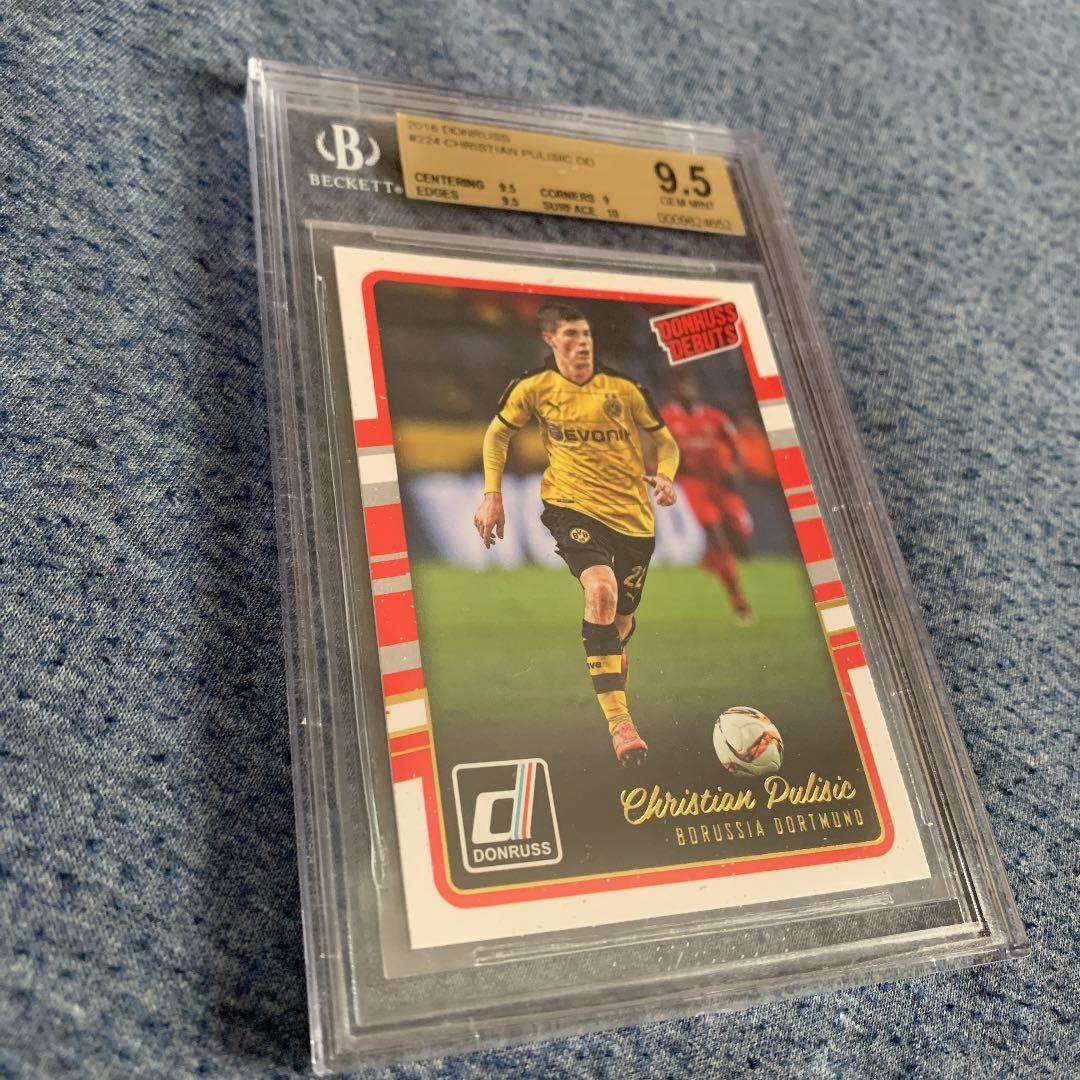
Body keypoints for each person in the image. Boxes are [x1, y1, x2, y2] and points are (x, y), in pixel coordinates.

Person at [473, 303, 680, 766]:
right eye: (571, 335)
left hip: (634, 520)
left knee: (620, 624)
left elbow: (665, 441)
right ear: (549, 339)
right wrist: (492, 495)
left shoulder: (624, 389)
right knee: (600, 590)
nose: (582, 343)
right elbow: (497, 435)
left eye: (586, 334)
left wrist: (666, 475)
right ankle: (621, 724)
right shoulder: (534, 387)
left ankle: (613, 674)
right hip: (571, 507)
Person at [660, 370, 754, 622]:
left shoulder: (715, 417)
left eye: (688, 384)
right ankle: (739, 601)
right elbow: (655, 446)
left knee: (743, 544)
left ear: (695, 386)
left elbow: (735, 446)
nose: (685, 389)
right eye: (680, 385)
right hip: (694, 484)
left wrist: (737, 470)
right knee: (716, 536)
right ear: (673, 389)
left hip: (722, 483)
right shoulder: (667, 418)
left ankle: (711, 560)